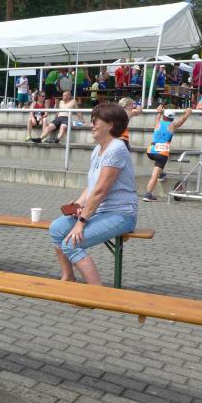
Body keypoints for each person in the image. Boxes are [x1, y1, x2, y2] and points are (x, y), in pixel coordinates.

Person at [48, 102, 138, 286]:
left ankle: (97, 293)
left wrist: (81, 222)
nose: (91, 125)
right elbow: (92, 187)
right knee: (56, 228)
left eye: (96, 121)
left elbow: (101, 190)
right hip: (100, 211)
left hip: (121, 214)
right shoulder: (98, 149)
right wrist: (79, 204)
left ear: (110, 124)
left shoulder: (117, 148)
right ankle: (68, 277)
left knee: (71, 243)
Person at [142, 105, 193, 202]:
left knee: (158, 168)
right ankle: (148, 194)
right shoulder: (172, 125)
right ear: (172, 118)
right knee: (154, 175)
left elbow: (158, 116)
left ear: (164, 116)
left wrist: (159, 112)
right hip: (161, 153)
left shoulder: (158, 122)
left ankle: (161, 174)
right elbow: (182, 120)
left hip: (150, 151)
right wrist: (188, 113)